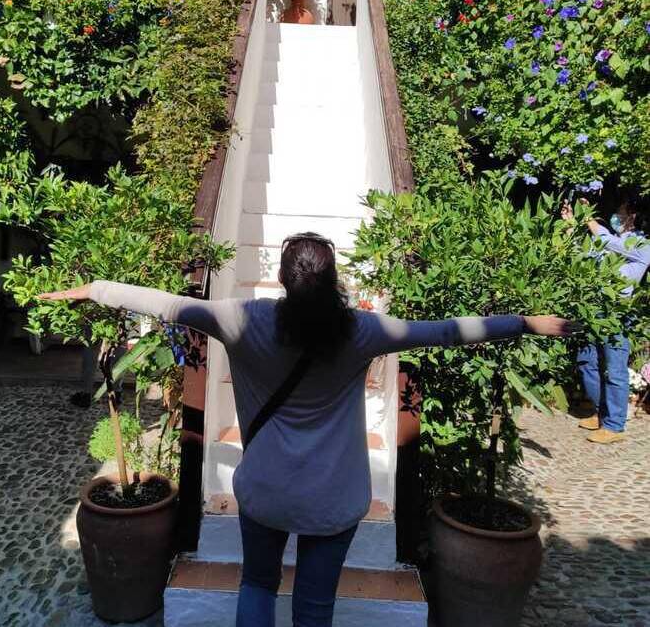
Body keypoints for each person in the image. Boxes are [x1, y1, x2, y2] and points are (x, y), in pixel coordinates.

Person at [38, 232, 575, 627]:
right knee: (315, 607)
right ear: (334, 281)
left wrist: (94, 289)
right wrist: (525, 323)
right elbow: (447, 332)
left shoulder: (241, 319)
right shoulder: (363, 330)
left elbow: (165, 304)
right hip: (334, 498)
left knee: (257, 584)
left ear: (282, 279)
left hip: (266, 491)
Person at [562, 198, 650, 443]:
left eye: (619, 211)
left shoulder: (643, 245)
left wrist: (587, 218)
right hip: (593, 310)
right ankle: (601, 413)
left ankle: (614, 425)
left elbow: (605, 240)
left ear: (632, 216)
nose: (615, 216)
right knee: (586, 362)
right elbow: (583, 257)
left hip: (616, 314)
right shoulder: (611, 242)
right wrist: (570, 224)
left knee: (614, 370)